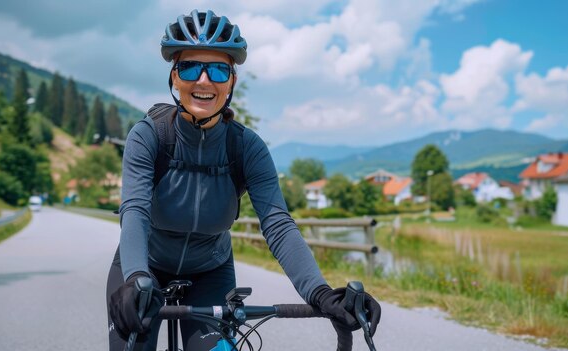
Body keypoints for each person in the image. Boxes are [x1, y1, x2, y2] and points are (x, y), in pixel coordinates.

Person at [106, 9, 381, 350]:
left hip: (210, 271)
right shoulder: (149, 137)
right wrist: (135, 277)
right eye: (190, 67)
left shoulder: (246, 147)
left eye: (219, 69)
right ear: (174, 78)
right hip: (144, 268)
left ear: (232, 81)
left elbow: (278, 225)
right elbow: (135, 211)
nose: (204, 81)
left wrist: (321, 294)